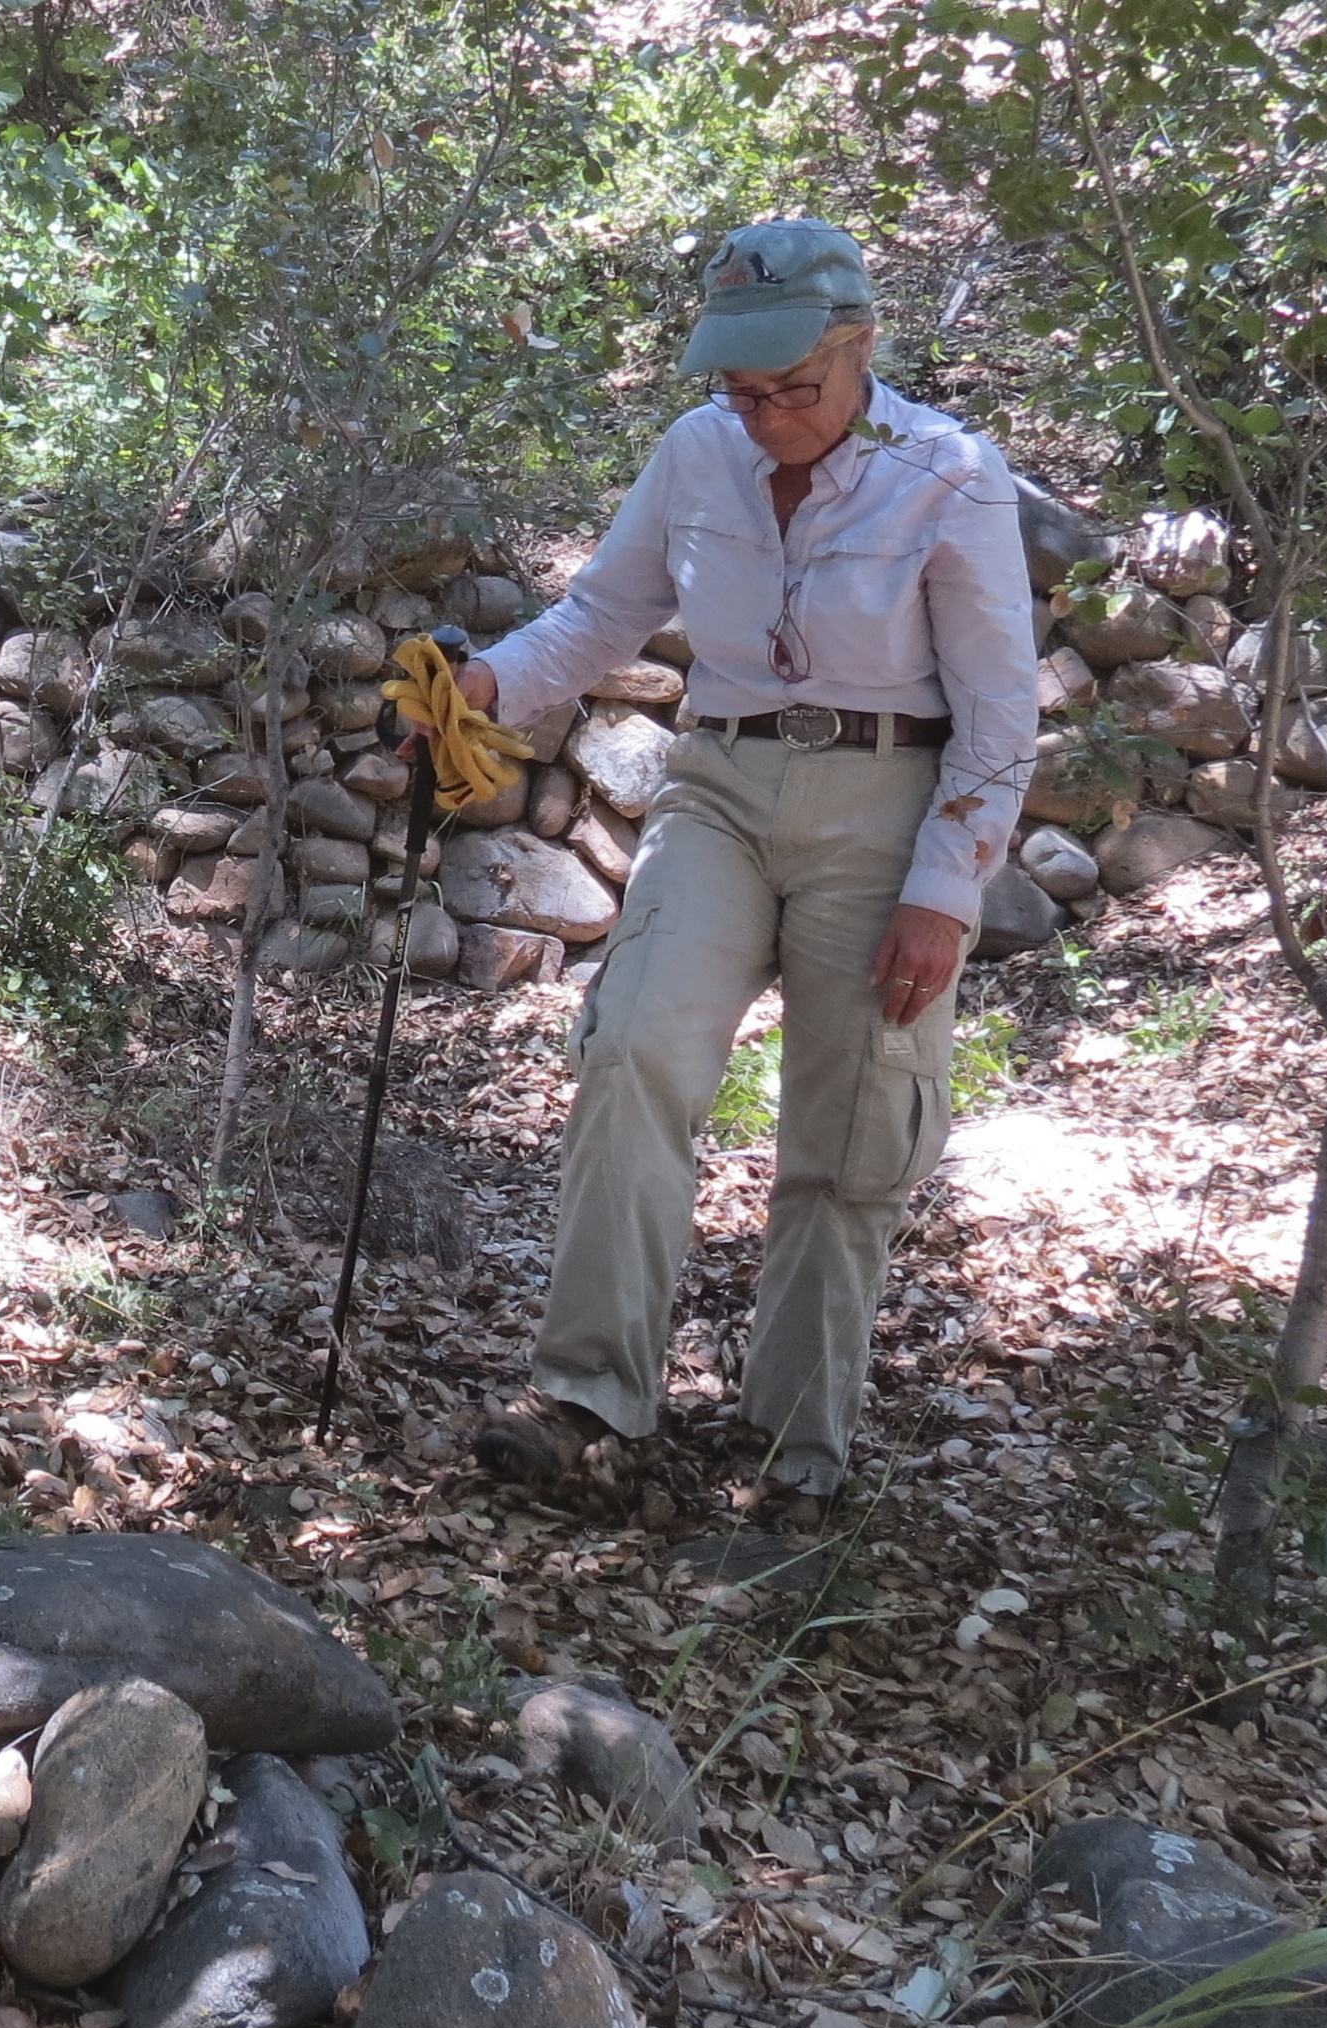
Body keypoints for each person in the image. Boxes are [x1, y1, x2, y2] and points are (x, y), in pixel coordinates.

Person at [458, 218, 1037, 1507]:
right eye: (743, 387)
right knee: (633, 1046)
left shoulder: (947, 470)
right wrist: (480, 684)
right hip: (716, 781)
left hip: (890, 801)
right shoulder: (697, 451)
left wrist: (948, 889)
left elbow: (1001, 712)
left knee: (851, 1122)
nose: (768, 414)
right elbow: (606, 611)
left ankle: (796, 1451)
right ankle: (587, 1398)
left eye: (796, 387)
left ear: (861, 348)